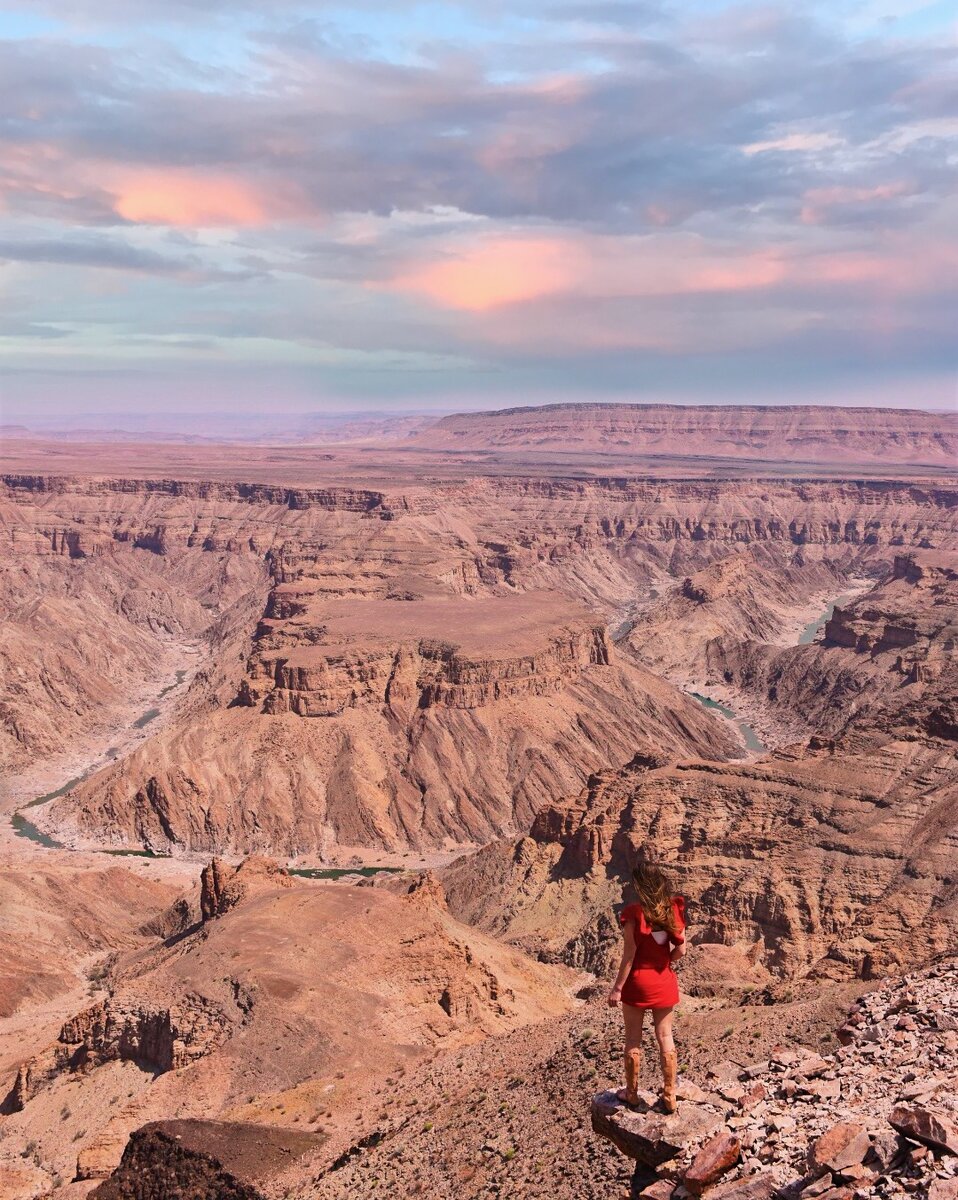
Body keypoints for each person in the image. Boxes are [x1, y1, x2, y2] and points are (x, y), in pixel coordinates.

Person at [607, 861, 686, 1113]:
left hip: (637, 984)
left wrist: (617, 988)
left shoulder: (634, 914)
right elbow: (681, 950)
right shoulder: (672, 911)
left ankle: (631, 1094)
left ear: (640, 886)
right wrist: (665, 963)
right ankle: (670, 1095)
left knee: (633, 1039)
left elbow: (629, 956)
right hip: (664, 982)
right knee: (665, 1037)